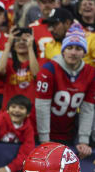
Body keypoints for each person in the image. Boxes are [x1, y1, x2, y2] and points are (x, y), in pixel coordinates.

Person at [35, 24, 95, 159]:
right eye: (69, 48)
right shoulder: (48, 69)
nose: (73, 52)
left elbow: (88, 108)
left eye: (78, 48)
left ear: (84, 52)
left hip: (68, 133)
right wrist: (44, 139)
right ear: (63, 50)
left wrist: (83, 140)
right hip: (42, 133)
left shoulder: (91, 73)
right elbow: (41, 106)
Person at [0, 26, 38, 119]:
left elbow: (36, 75)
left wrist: (30, 47)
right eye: (17, 40)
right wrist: (8, 44)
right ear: (13, 46)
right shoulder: (9, 63)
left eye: (25, 40)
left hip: (30, 114)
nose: (21, 43)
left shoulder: (40, 62)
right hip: (8, 113)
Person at [28, 0, 58, 64]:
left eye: (50, 2)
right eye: (44, 2)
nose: (47, 5)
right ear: (39, 5)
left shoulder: (65, 26)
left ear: (57, 4)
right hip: (40, 69)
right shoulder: (32, 28)